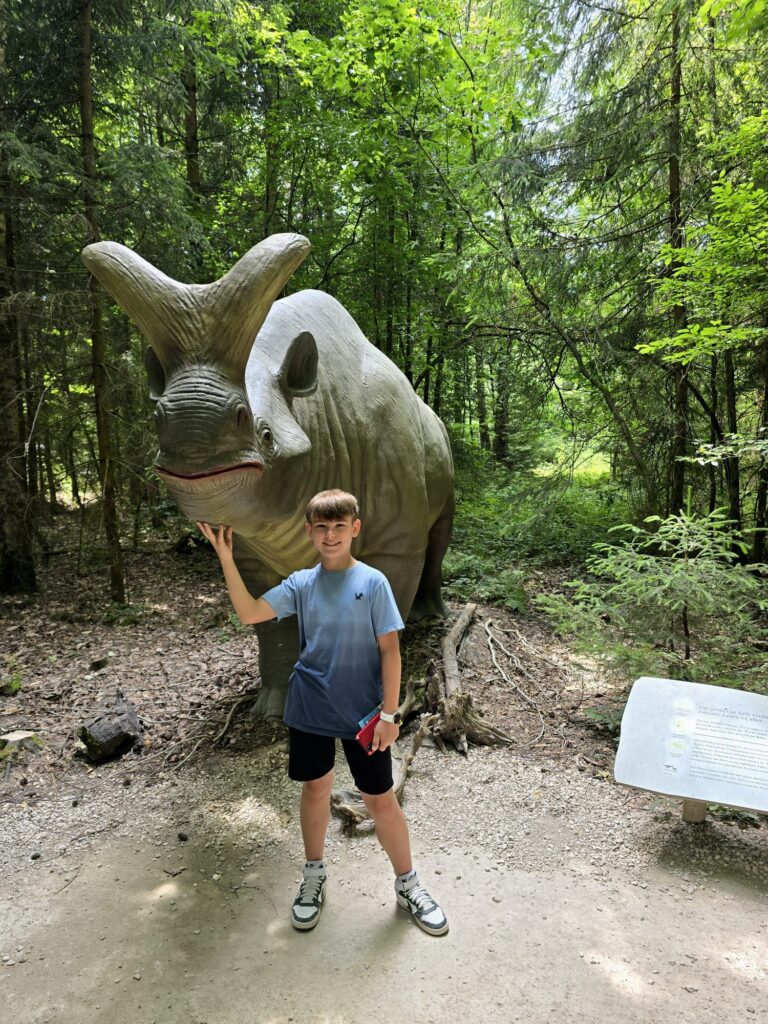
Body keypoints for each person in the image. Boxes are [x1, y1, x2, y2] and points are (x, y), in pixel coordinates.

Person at [197, 489, 448, 937]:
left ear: (354, 529)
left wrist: (391, 717)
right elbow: (251, 612)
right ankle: (314, 875)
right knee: (316, 788)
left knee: (379, 799)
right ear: (309, 532)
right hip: (309, 708)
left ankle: (409, 884)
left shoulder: (373, 583)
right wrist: (226, 558)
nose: (329, 535)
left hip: (364, 716)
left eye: (338, 527)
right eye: (321, 527)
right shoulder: (300, 583)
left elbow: (390, 650)